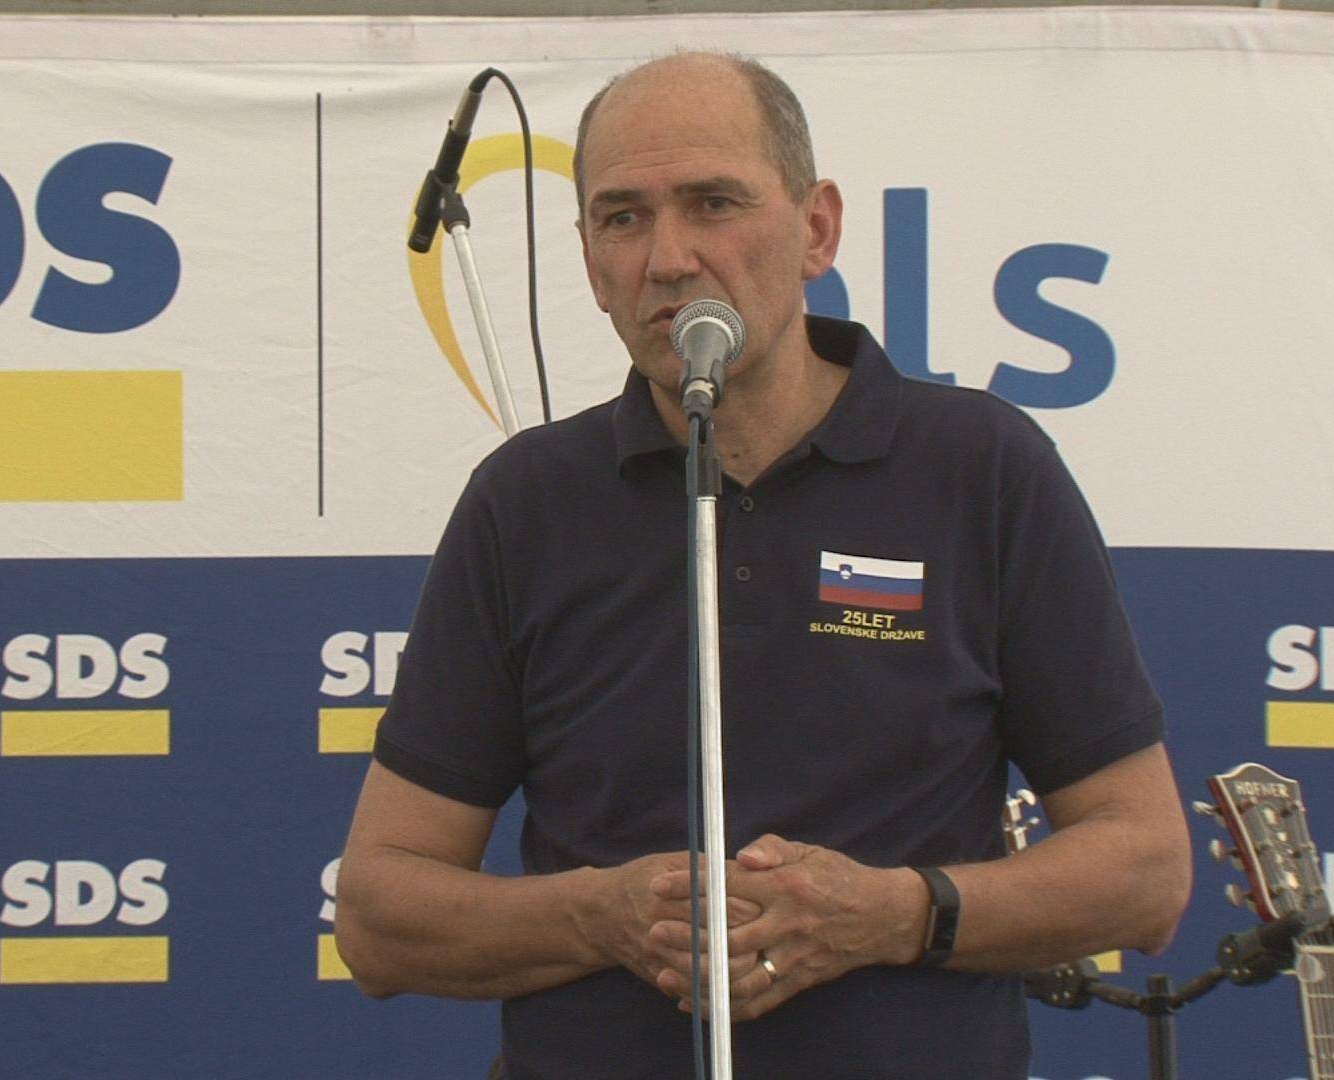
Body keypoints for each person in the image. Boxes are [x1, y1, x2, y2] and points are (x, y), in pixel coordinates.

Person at [336, 51, 1192, 1079]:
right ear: (592, 264)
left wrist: (889, 915)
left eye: (714, 203)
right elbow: (380, 917)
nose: (669, 259)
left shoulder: (982, 469)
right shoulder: (526, 501)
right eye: (623, 218)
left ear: (816, 228)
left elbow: (1144, 872)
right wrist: (602, 915)